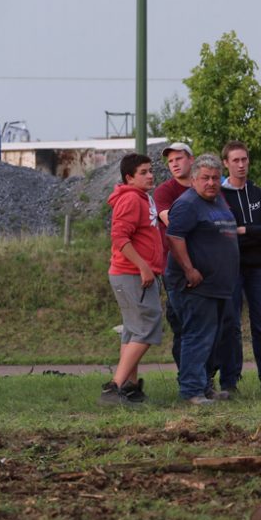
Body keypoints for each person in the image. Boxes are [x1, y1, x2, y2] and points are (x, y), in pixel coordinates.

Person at [165, 154, 240, 405]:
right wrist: (189, 269)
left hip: (219, 286)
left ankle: (205, 386)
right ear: (194, 179)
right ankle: (191, 391)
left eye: (215, 178)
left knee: (213, 339)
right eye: (205, 178)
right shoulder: (187, 204)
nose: (211, 183)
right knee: (197, 337)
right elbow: (175, 237)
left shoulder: (218, 200)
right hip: (195, 286)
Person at [220, 140, 261, 393]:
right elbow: (223, 232)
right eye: (235, 160)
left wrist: (245, 229)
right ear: (226, 163)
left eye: (244, 159)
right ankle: (229, 382)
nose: (240, 165)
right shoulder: (220, 197)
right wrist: (260, 230)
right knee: (231, 326)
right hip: (231, 269)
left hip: (258, 269)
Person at [101, 153, 165, 406]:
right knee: (148, 326)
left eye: (151, 171)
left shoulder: (143, 198)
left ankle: (129, 388)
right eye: (143, 172)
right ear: (129, 177)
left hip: (134, 273)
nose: (150, 175)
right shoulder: (130, 199)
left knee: (133, 330)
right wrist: (143, 266)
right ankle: (114, 387)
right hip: (131, 273)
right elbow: (119, 237)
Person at [154, 142, 194, 368]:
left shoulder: (203, 186)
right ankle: (186, 379)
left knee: (211, 326)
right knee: (182, 325)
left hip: (206, 264)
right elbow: (174, 223)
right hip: (176, 267)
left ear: (191, 159)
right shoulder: (165, 191)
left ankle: (204, 378)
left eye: (178, 158)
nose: (174, 164)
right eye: (170, 161)